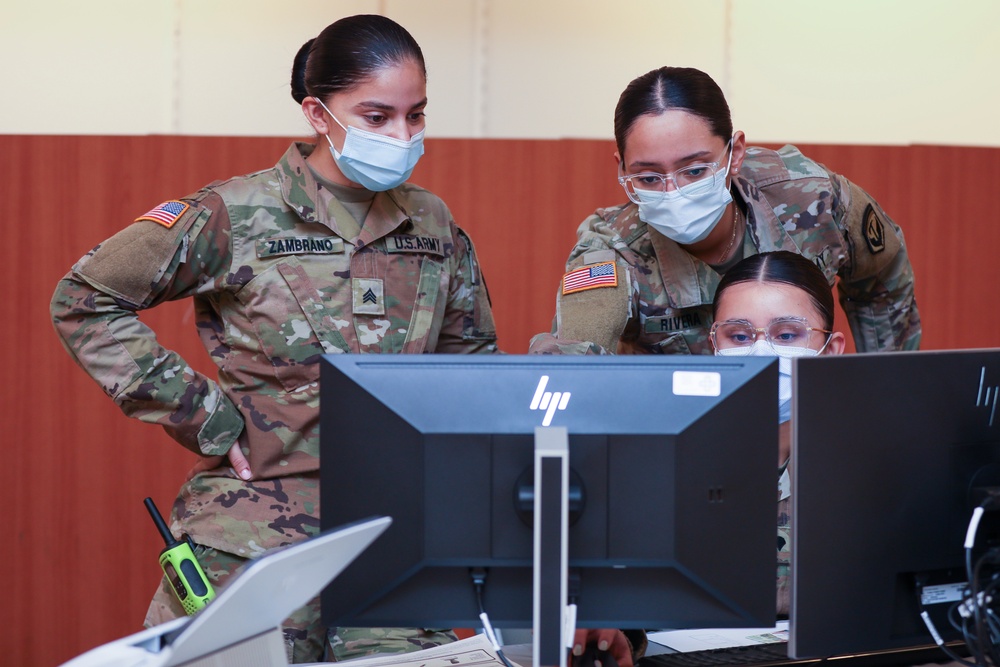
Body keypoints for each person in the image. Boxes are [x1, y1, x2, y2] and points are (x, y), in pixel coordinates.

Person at [50, 14, 498, 664]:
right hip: (255, 538)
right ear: (319, 113)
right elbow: (84, 299)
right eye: (377, 117)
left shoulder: (432, 222)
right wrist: (206, 416)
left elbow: (474, 369)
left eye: (416, 115)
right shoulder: (237, 213)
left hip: (393, 540)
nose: (402, 136)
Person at [528, 66, 920, 356]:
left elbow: (882, 275)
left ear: (735, 154)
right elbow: (574, 354)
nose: (673, 191)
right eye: (648, 177)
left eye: (695, 170)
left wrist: (879, 390)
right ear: (621, 168)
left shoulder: (813, 198)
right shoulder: (612, 249)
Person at [710, 250, 846, 617]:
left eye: (786, 334)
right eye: (738, 336)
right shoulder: (676, 464)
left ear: (830, 351)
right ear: (714, 347)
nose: (760, 351)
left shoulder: (865, 468)